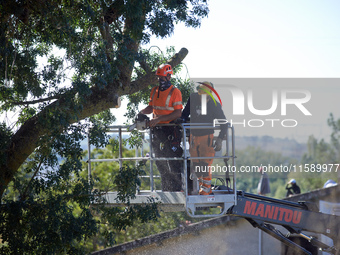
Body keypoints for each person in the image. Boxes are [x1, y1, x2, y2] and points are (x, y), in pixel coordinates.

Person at [139, 64, 183, 192]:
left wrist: (159, 119)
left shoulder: (175, 92)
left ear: (169, 76)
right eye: (159, 78)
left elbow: (177, 113)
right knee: (158, 159)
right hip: (157, 130)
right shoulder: (154, 91)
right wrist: (142, 112)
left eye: (163, 78)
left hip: (171, 129)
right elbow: (151, 107)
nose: (160, 80)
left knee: (173, 158)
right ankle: (166, 187)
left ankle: (177, 188)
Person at [181, 81, 227, 195]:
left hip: (207, 137)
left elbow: (224, 124)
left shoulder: (214, 105)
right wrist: (181, 121)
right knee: (196, 164)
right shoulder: (193, 98)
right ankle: (202, 187)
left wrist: (220, 139)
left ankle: (206, 188)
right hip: (193, 137)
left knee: (205, 164)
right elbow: (184, 113)